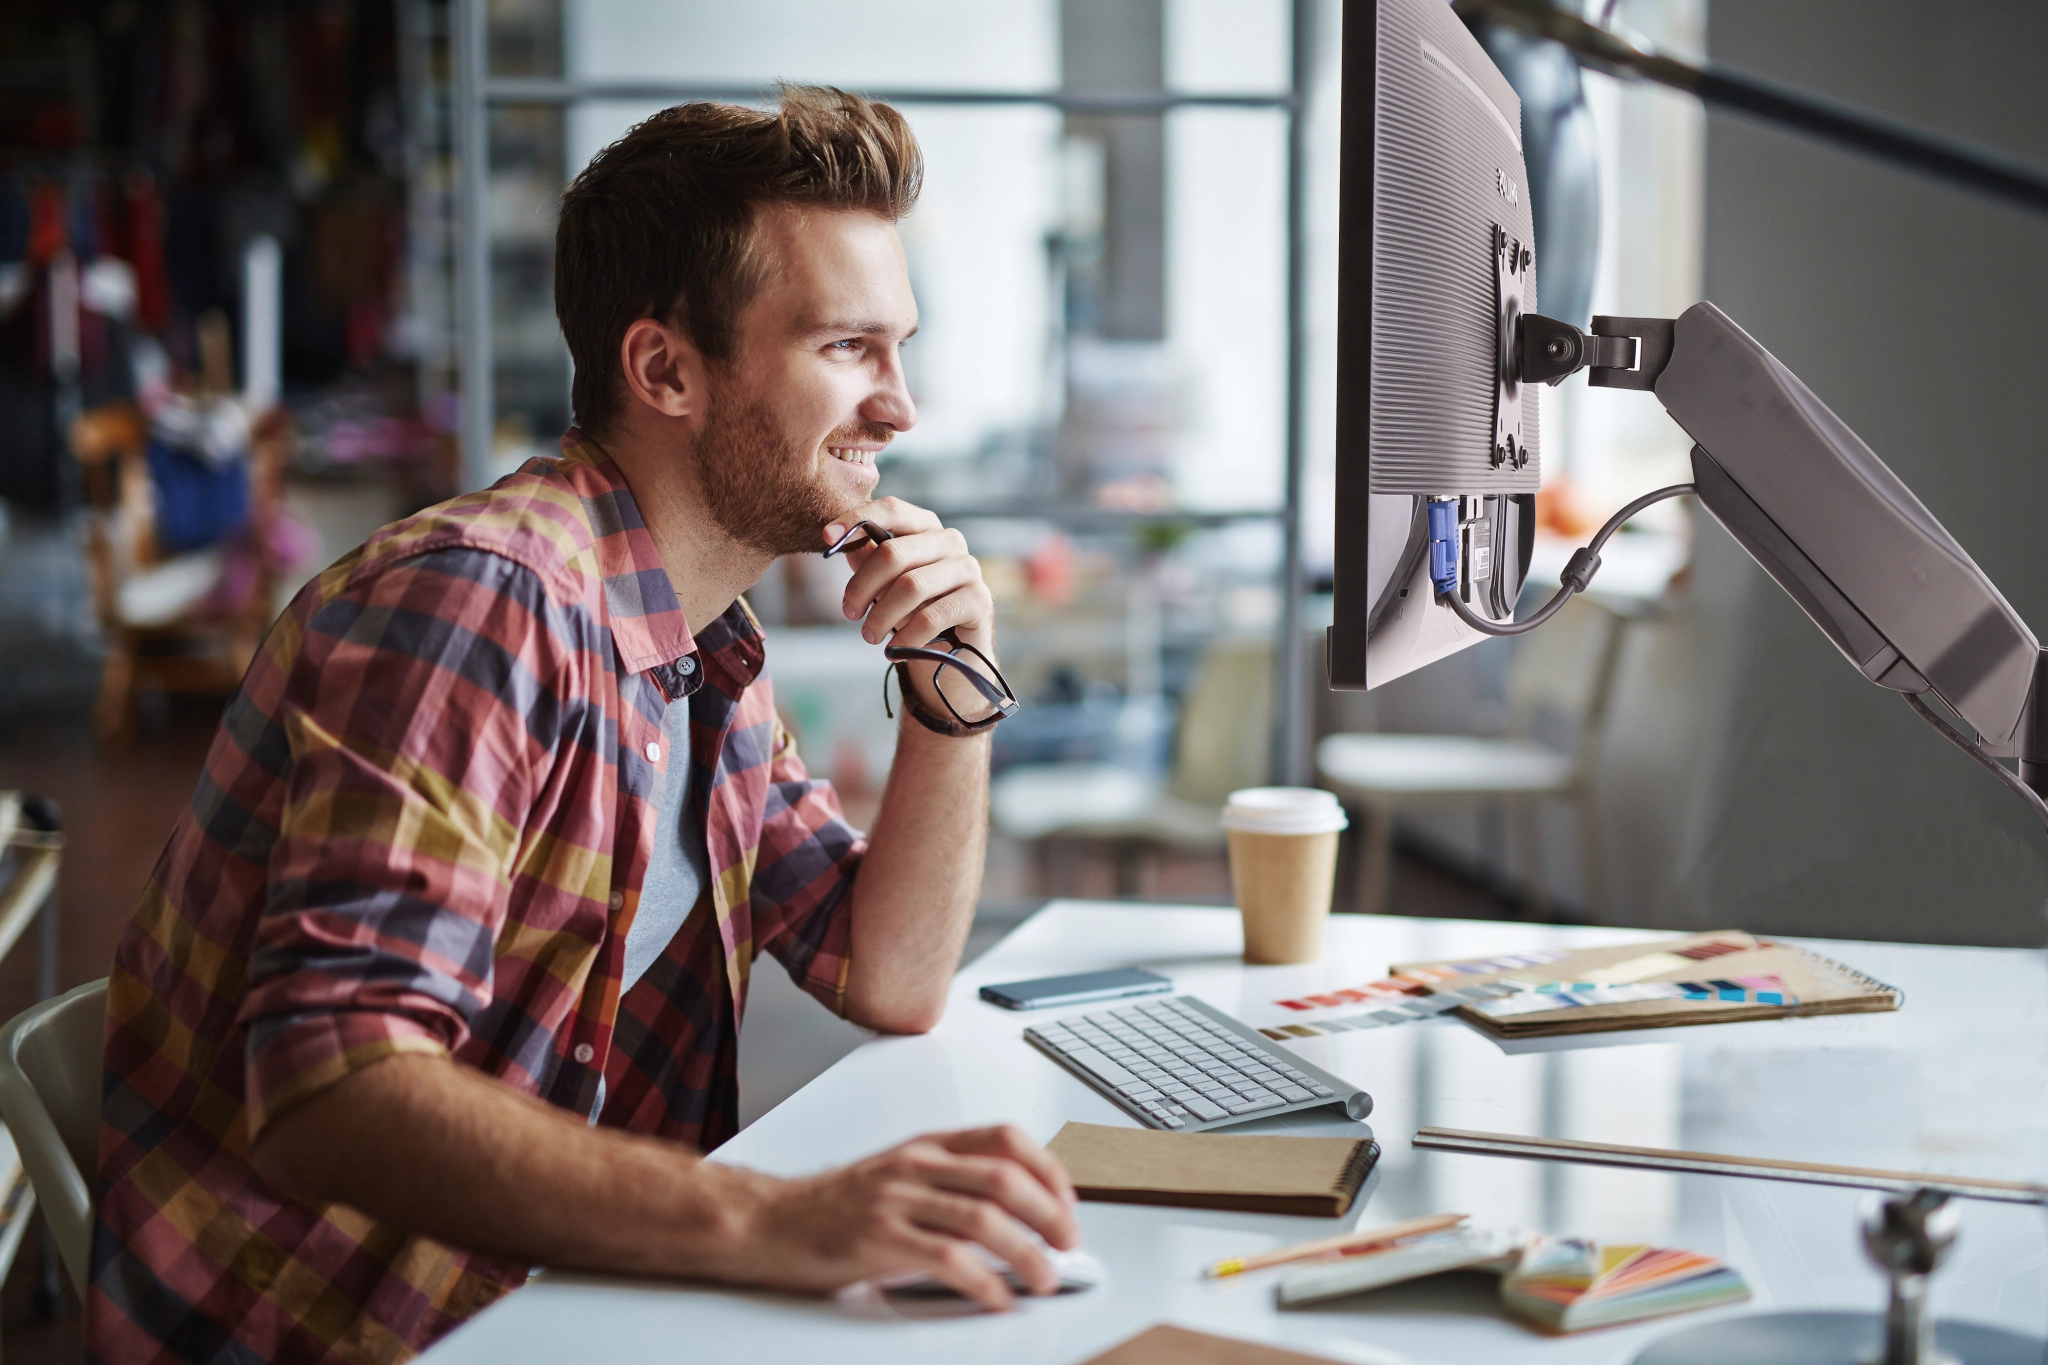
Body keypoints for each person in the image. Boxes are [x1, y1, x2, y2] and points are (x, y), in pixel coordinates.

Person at [89, 86, 1077, 1365]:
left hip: (558, 1298)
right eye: (846, 349)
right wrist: (772, 1220)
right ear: (664, 367)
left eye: (898, 349)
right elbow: (331, 1087)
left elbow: (885, 974)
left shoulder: (699, 645)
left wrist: (951, 692)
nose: (899, 408)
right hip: (345, 1326)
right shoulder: (480, 604)